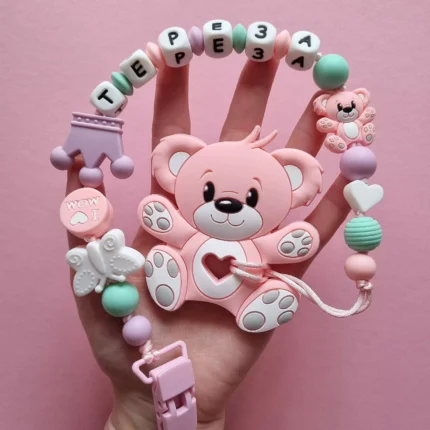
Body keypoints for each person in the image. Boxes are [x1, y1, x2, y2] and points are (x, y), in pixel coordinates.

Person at [66, 58, 350, 430]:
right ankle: (173, 281)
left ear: (294, 182)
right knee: (176, 252)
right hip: (191, 271)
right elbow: (177, 231)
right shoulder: (192, 227)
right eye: (211, 191)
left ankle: (253, 306)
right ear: (177, 166)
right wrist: (164, 220)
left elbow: (271, 249)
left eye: (251, 197)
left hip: (242, 284)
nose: (229, 205)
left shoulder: (252, 245)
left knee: (257, 273)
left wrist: (289, 243)